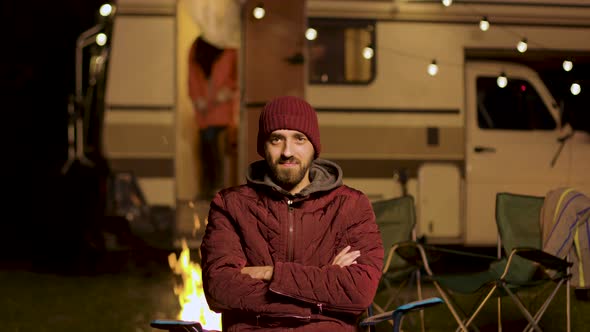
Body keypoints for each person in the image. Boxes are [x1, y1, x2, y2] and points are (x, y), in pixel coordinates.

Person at [200, 95, 384, 331]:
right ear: (263, 147)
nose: (287, 151)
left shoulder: (351, 206)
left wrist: (271, 273)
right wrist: (323, 289)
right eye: (276, 139)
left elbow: (358, 292)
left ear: (314, 146)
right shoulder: (230, 205)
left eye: (299, 139)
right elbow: (220, 289)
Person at [188, 36, 238, 200]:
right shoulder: (197, 47)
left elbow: (238, 78)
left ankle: (217, 188)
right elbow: (192, 76)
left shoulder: (230, 48)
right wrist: (197, 98)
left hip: (223, 112)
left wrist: (228, 91)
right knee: (208, 151)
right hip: (205, 114)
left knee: (217, 151)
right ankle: (212, 188)